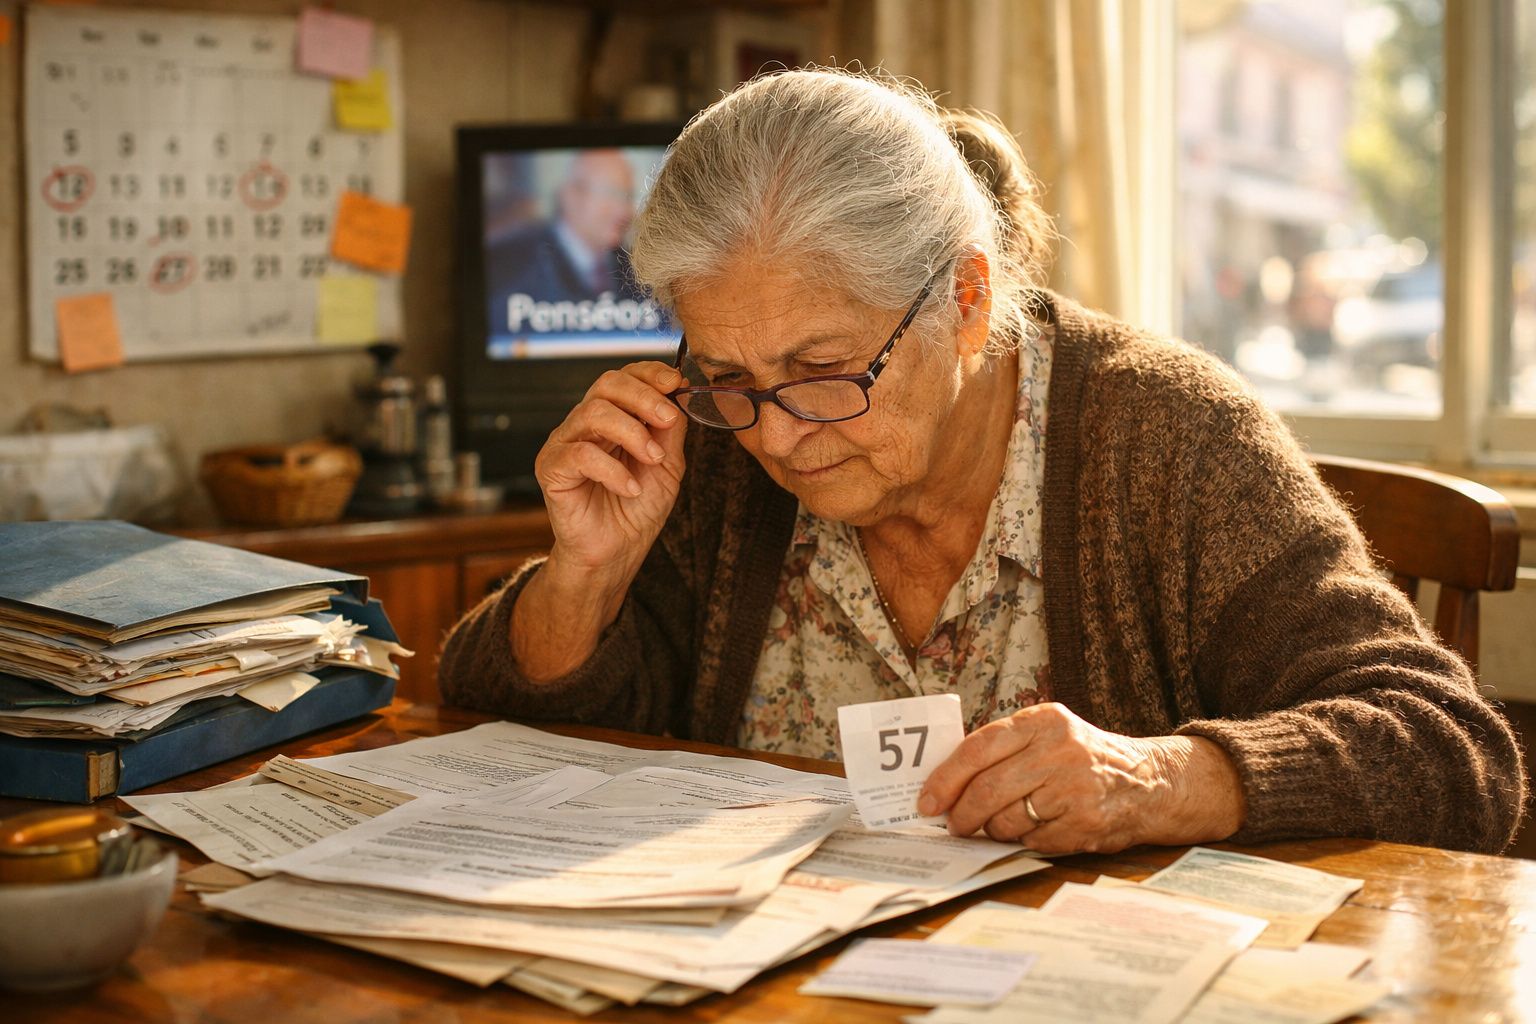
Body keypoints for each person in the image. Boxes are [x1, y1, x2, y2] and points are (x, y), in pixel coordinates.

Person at [441, 69, 1526, 856]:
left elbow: (1450, 752)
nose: (774, 433)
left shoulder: (1166, 436)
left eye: (823, 369)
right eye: (728, 371)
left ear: (964, 302)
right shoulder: (715, 443)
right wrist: (583, 579)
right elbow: (496, 719)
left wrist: (1163, 777)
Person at [486, 149, 646, 332]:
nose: (625, 211)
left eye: (629, 197)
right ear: (571, 196)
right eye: (613, 194)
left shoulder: (639, 272)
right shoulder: (514, 269)